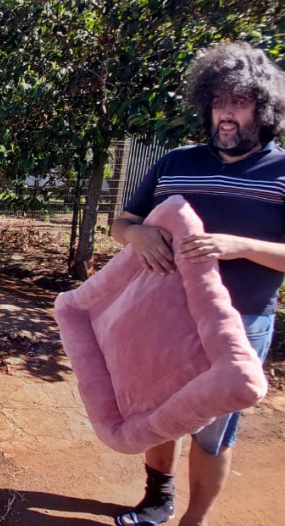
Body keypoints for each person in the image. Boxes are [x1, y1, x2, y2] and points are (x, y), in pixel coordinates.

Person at [110, 43, 285, 526]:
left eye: (239, 102)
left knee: (213, 432)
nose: (225, 114)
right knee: (162, 413)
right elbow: (121, 223)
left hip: (239, 323)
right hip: (166, 314)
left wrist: (241, 247)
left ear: (264, 108)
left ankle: (195, 520)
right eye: (217, 102)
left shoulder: (282, 172)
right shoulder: (176, 162)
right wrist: (138, 234)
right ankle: (156, 501)